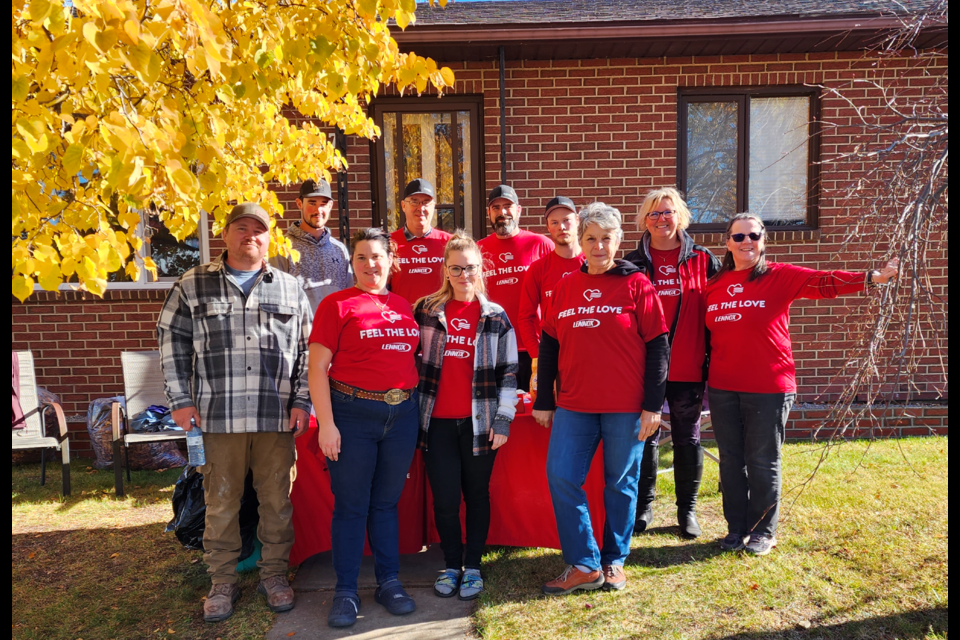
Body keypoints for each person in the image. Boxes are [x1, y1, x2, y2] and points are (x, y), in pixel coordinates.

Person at [706, 213, 899, 556]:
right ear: (727, 243)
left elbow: (825, 282)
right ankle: (735, 529)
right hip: (722, 387)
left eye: (753, 235)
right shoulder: (714, 284)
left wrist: (872, 278)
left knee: (762, 459)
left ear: (763, 239)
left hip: (769, 386)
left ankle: (764, 530)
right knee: (731, 460)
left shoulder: (779, 275)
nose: (746, 241)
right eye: (739, 237)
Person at [157, 203, 313, 622]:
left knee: (276, 502)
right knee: (221, 502)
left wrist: (302, 401)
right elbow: (171, 344)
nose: (250, 236)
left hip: (274, 417)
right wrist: (181, 400)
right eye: (240, 228)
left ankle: (275, 575)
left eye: (258, 230)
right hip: (216, 417)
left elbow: (306, 353)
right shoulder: (193, 285)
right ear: (224, 235)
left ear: (269, 238)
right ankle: (222, 582)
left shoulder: (289, 288)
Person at [533, 203, 669, 595]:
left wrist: (652, 406)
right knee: (561, 476)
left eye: (606, 239)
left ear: (618, 241)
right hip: (574, 405)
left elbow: (659, 347)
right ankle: (584, 563)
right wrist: (545, 399)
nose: (597, 246)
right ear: (581, 240)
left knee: (620, 484)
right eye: (590, 238)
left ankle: (614, 560)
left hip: (626, 407)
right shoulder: (563, 287)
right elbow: (550, 347)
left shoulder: (637, 284)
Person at [308, 227, 421, 628]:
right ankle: (346, 590)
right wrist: (327, 425)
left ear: (391, 260)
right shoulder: (336, 305)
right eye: (362, 257)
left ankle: (389, 582)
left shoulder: (406, 306)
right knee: (352, 506)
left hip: (401, 416)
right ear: (351, 263)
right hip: (352, 415)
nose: (371, 264)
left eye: (377, 256)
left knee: (386, 504)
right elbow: (317, 369)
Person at [414, 232, 518, 602]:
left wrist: (503, 419)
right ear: (445, 269)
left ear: (480, 269)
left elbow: (509, 371)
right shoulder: (425, 309)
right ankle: (451, 565)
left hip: (480, 424)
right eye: (456, 268)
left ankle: (473, 566)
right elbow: (409, 364)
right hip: (436, 424)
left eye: (470, 268)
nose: (463, 275)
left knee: (476, 496)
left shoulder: (495, 316)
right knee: (444, 499)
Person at [624, 187, 721, 539]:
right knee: (646, 438)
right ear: (644, 221)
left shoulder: (704, 260)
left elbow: (718, 311)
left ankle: (687, 510)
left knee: (687, 437)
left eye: (667, 212)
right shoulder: (630, 264)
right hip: (644, 369)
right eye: (654, 214)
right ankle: (644, 507)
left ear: (680, 216)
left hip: (689, 366)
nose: (661, 219)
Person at [478, 184, 554, 390]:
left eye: (508, 206)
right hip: (495, 347)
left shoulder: (542, 245)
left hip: (535, 348)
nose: (502, 212)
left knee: (539, 412)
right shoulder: (478, 250)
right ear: (489, 213)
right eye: (496, 208)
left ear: (519, 210)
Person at [517, 196, 586, 398]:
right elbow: (525, 317)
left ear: (578, 221)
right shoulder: (538, 269)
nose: (561, 227)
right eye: (554, 222)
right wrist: (538, 356)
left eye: (566, 220)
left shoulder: (592, 264)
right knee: (547, 417)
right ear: (548, 226)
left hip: (588, 358)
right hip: (551, 357)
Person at [270, 178, 352, 311]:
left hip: (335, 329)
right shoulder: (284, 247)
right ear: (299, 203)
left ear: (330, 206)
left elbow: (349, 295)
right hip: (300, 330)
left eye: (323, 204)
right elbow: (274, 296)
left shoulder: (339, 249)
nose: (318, 210)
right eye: (312, 203)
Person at [390, 178, 453, 305]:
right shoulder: (388, 243)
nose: (421, 208)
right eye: (414, 202)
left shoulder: (449, 243)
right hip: (402, 318)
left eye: (426, 202)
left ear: (434, 206)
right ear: (403, 206)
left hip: (440, 320)